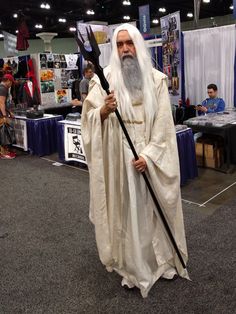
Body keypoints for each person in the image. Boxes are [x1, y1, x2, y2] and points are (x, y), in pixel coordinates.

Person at [81, 24, 189, 298]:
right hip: (119, 158)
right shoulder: (103, 81)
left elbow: (164, 126)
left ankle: (160, 261)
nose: (126, 49)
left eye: (130, 43)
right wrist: (103, 111)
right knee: (127, 210)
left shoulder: (157, 80)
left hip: (148, 156)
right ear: (115, 50)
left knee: (152, 210)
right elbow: (88, 118)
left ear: (138, 45)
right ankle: (133, 265)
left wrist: (150, 156)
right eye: (120, 45)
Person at [0, 74, 16, 159]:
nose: (11, 85)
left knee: (2, 133)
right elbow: (1, 103)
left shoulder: (1, 87)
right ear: (8, 81)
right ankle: (3, 153)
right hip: (0, 115)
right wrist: (5, 116)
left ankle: (4, 151)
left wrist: (9, 112)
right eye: (11, 83)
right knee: (3, 133)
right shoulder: (3, 89)